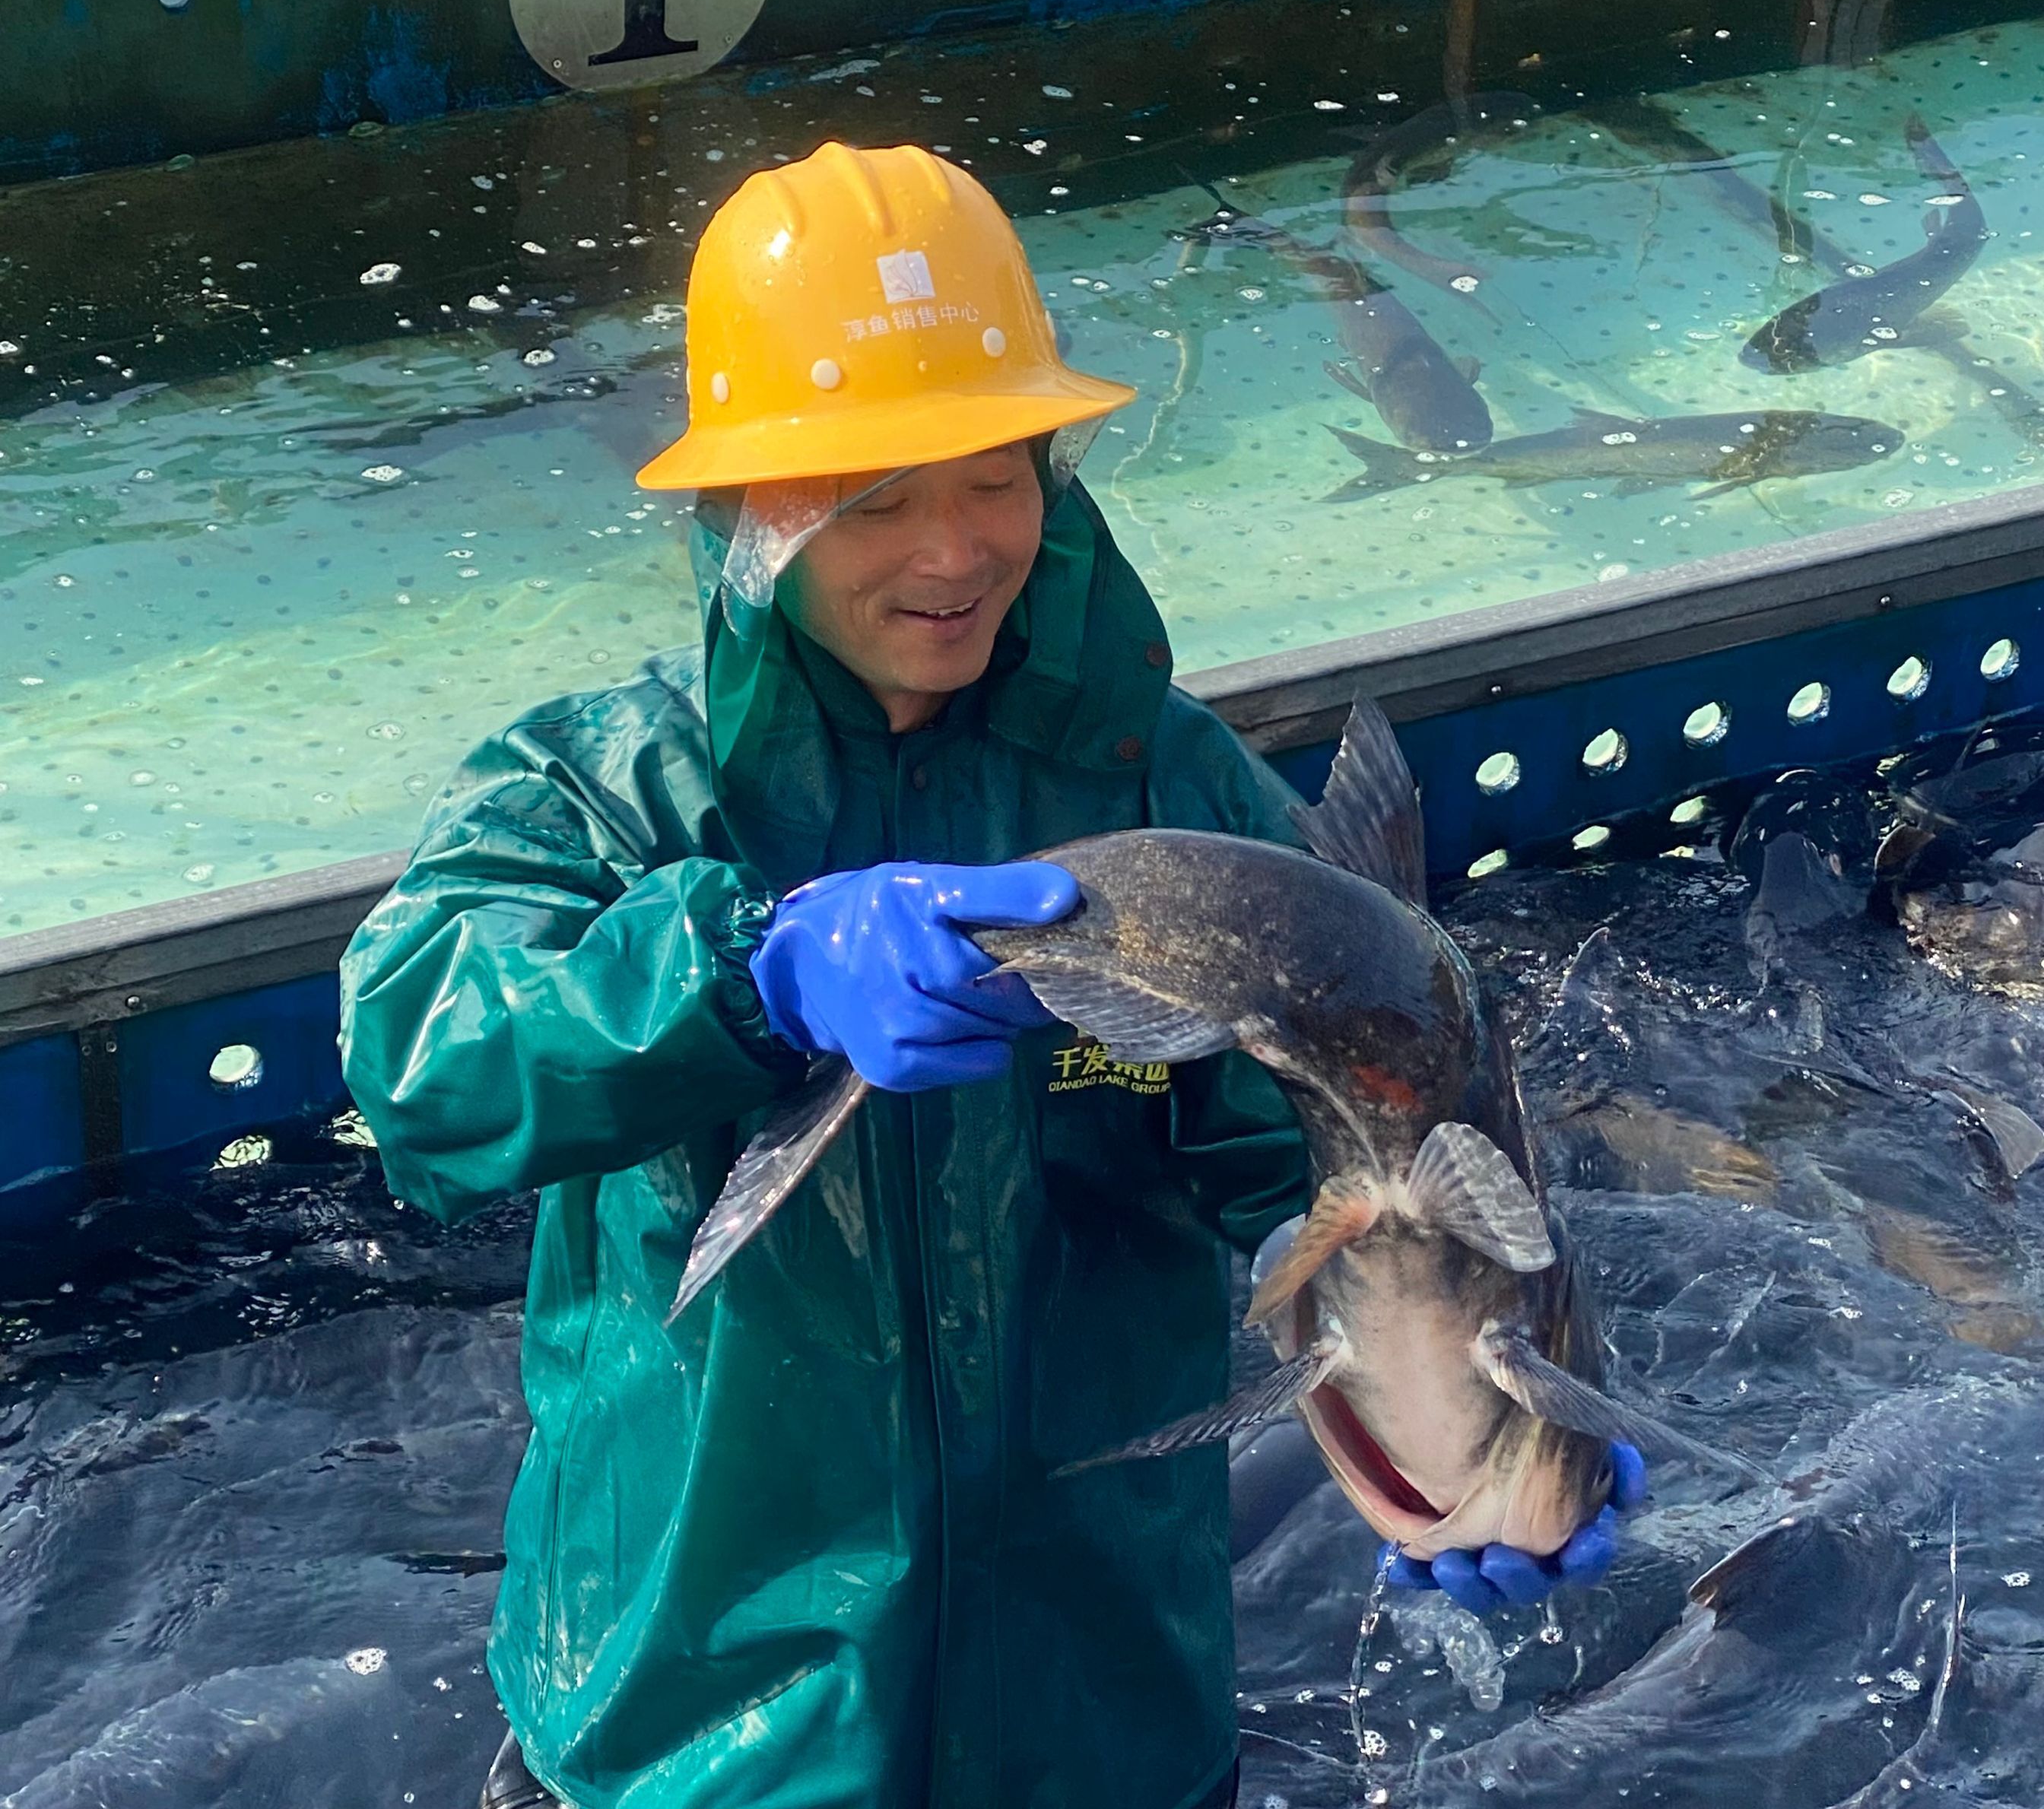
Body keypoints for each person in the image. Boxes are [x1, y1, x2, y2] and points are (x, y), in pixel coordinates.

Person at [338, 141, 1636, 1809]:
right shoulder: (607, 787)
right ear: (748, 508)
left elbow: (1300, 1169)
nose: (951, 551)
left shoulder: (1177, 790)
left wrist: (1486, 1404)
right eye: (873, 497)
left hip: (1097, 1720)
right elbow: (422, 1059)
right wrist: (749, 972)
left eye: (995, 478)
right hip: (687, 1732)